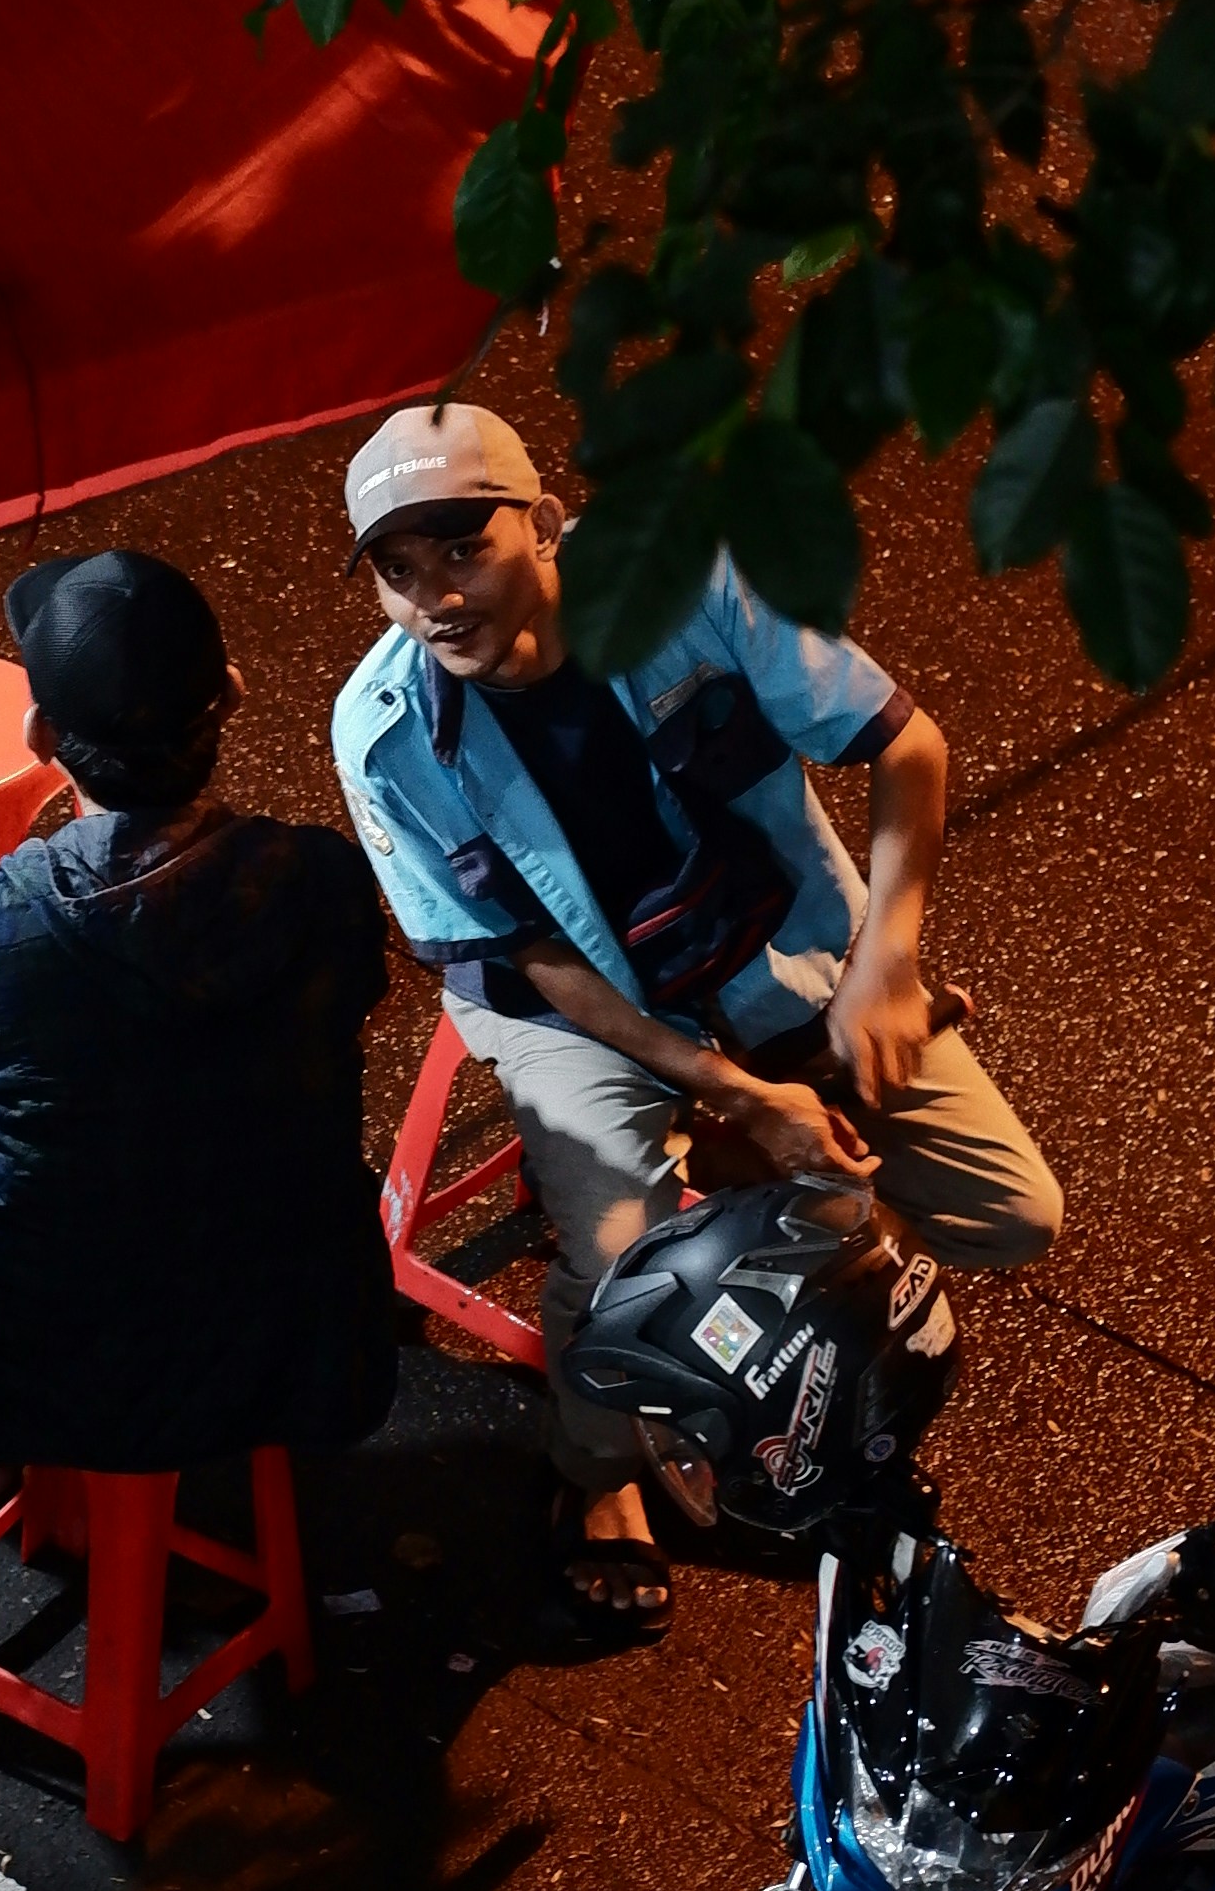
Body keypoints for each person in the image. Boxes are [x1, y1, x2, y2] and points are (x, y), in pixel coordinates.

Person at [325, 399, 1059, 1644]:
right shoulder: (386, 731)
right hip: (578, 1012)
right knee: (617, 1262)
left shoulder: (692, 577)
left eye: (463, 548)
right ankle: (593, 1475)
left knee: (1013, 1212)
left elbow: (906, 746)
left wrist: (885, 960)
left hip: (772, 953)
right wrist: (734, 1094)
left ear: (544, 525)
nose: (435, 597)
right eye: (398, 572)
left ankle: (748, 1231)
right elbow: (542, 961)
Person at [0, 549, 397, 1483]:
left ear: (37, 734)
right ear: (230, 695)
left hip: (6, 1354)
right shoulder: (325, 880)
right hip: (276, 1339)